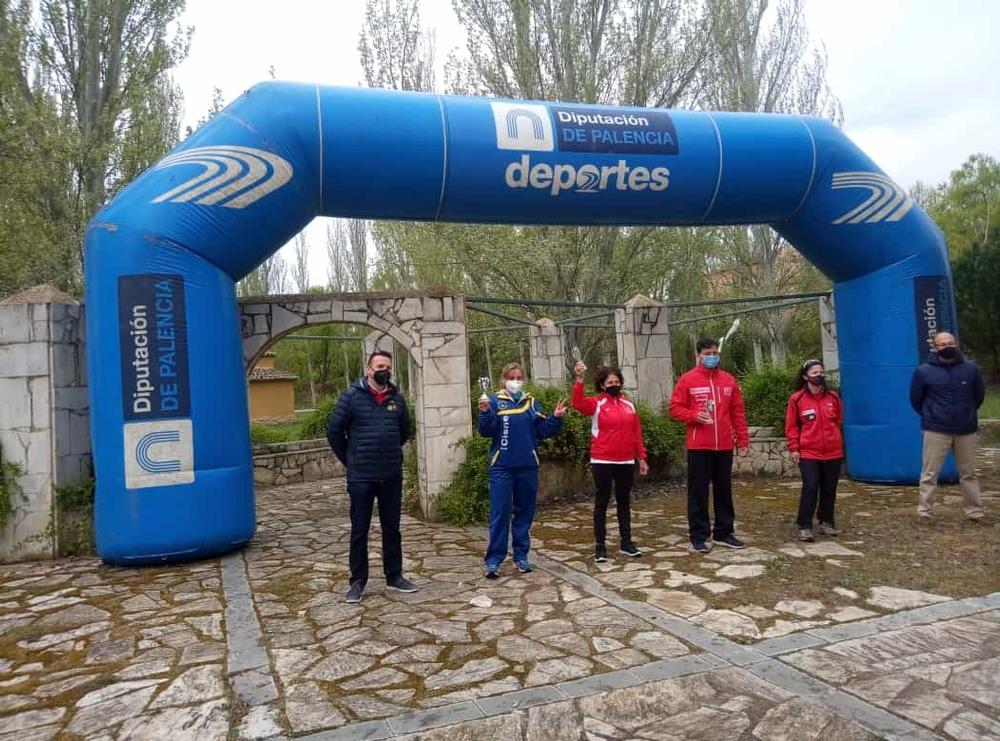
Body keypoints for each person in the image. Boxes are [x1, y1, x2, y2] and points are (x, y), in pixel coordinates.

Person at [327, 351, 418, 603]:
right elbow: (334, 431)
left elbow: (404, 432)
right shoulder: (351, 397)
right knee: (360, 530)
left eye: (388, 367)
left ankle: (395, 576)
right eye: (380, 366)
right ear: (368, 369)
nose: (384, 370)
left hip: (390, 475)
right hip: (361, 477)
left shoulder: (397, 399)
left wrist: (389, 454)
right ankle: (357, 582)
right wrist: (351, 460)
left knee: (392, 529)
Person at [478, 362, 566, 578]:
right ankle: (494, 561)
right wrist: (484, 413)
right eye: (511, 377)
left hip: (527, 466)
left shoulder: (531, 403)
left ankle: (521, 557)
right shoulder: (493, 401)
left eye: (519, 377)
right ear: (503, 379)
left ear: (524, 380)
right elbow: (486, 431)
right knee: (500, 513)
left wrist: (556, 418)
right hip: (502, 467)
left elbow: (543, 431)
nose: (515, 381)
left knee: (524, 513)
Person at [669, 338, 750, 554]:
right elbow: (675, 409)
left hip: (724, 445)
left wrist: (742, 440)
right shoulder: (688, 380)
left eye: (714, 352)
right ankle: (698, 535)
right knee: (698, 492)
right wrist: (694, 416)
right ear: (699, 355)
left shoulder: (728, 381)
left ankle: (724, 532)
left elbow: (738, 413)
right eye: (707, 353)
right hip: (699, 446)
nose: (712, 356)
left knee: (724, 491)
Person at [571, 360, 649, 562]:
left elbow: (636, 434)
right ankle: (600, 546)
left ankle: (626, 542)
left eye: (616, 381)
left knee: (624, 502)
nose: (613, 384)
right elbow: (578, 404)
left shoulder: (629, 405)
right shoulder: (597, 404)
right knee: (602, 502)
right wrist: (579, 380)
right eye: (609, 382)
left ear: (621, 383)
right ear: (602, 385)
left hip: (625, 461)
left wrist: (641, 458)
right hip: (602, 460)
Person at [909, 331, 986, 522]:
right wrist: (931, 415)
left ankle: (974, 512)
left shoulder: (971, 369)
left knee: (968, 473)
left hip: (965, 429)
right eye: (942, 344)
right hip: (936, 429)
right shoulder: (923, 371)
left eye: (950, 343)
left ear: (956, 344)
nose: (947, 347)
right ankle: (925, 511)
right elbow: (916, 400)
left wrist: (967, 413)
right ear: (935, 348)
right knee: (930, 472)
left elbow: (978, 396)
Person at [785, 359, 844, 542]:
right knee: (810, 487)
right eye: (814, 373)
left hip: (833, 451)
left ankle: (826, 521)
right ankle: (804, 525)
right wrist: (794, 448)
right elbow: (792, 426)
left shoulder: (833, 397)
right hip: (809, 452)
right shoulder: (797, 399)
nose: (819, 376)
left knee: (829, 488)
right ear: (805, 376)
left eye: (821, 372)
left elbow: (838, 420)